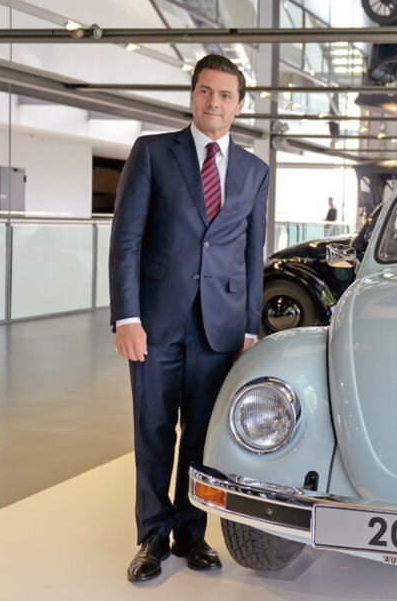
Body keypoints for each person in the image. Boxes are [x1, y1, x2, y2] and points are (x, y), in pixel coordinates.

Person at [110, 53, 270, 583]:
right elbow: (127, 240)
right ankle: (152, 536)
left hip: (219, 328)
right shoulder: (153, 153)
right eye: (206, 91)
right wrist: (126, 316)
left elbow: (252, 254)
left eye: (226, 95)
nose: (214, 102)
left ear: (240, 104)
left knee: (203, 436)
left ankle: (192, 532)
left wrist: (250, 328)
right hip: (155, 324)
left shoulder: (254, 170)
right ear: (193, 95)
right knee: (153, 430)